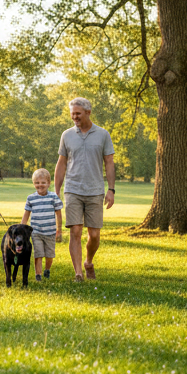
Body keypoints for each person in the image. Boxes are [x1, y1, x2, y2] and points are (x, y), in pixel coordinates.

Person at [54, 97, 115, 281]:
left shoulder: (103, 134)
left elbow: (109, 163)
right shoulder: (67, 135)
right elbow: (61, 163)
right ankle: (78, 273)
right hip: (72, 189)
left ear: (88, 113)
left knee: (94, 234)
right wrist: (56, 191)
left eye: (78, 114)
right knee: (75, 231)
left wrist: (111, 190)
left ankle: (88, 262)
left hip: (95, 190)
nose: (74, 117)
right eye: (72, 114)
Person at [22, 168, 62, 282]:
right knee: (38, 254)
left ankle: (47, 269)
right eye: (37, 183)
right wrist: (21, 229)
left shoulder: (53, 197)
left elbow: (59, 214)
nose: (40, 185)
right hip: (36, 232)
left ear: (49, 183)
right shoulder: (31, 198)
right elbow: (26, 215)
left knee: (49, 255)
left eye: (43, 183)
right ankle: (38, 275)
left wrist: (59, 230)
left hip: (50, 232)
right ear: (33, 184)